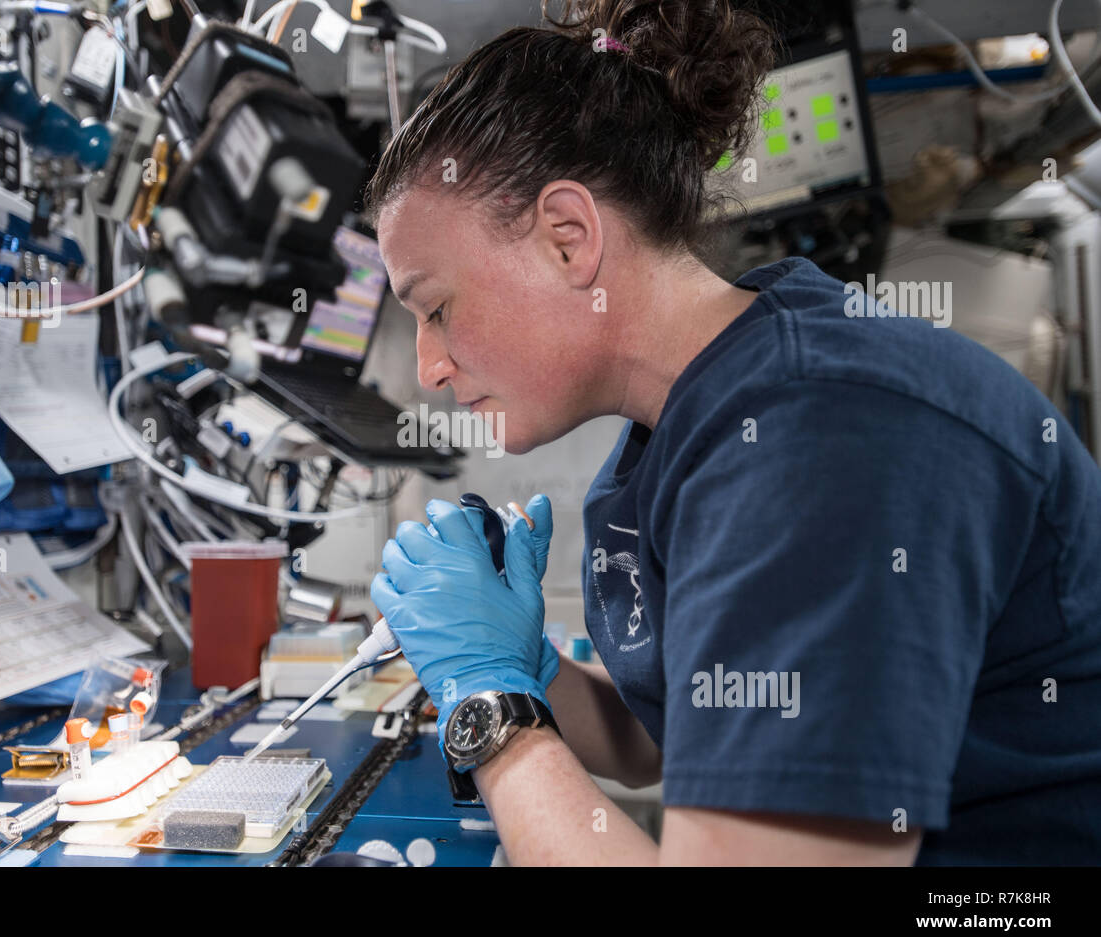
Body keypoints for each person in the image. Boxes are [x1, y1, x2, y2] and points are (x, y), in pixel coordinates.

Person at [366, 0, 1101, 865]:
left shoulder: (821, 435)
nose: (429, 369)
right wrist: (527, 664)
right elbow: (673, 739)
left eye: (438, 309)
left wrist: (489, 710)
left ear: (569, 240)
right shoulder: (684, 435)